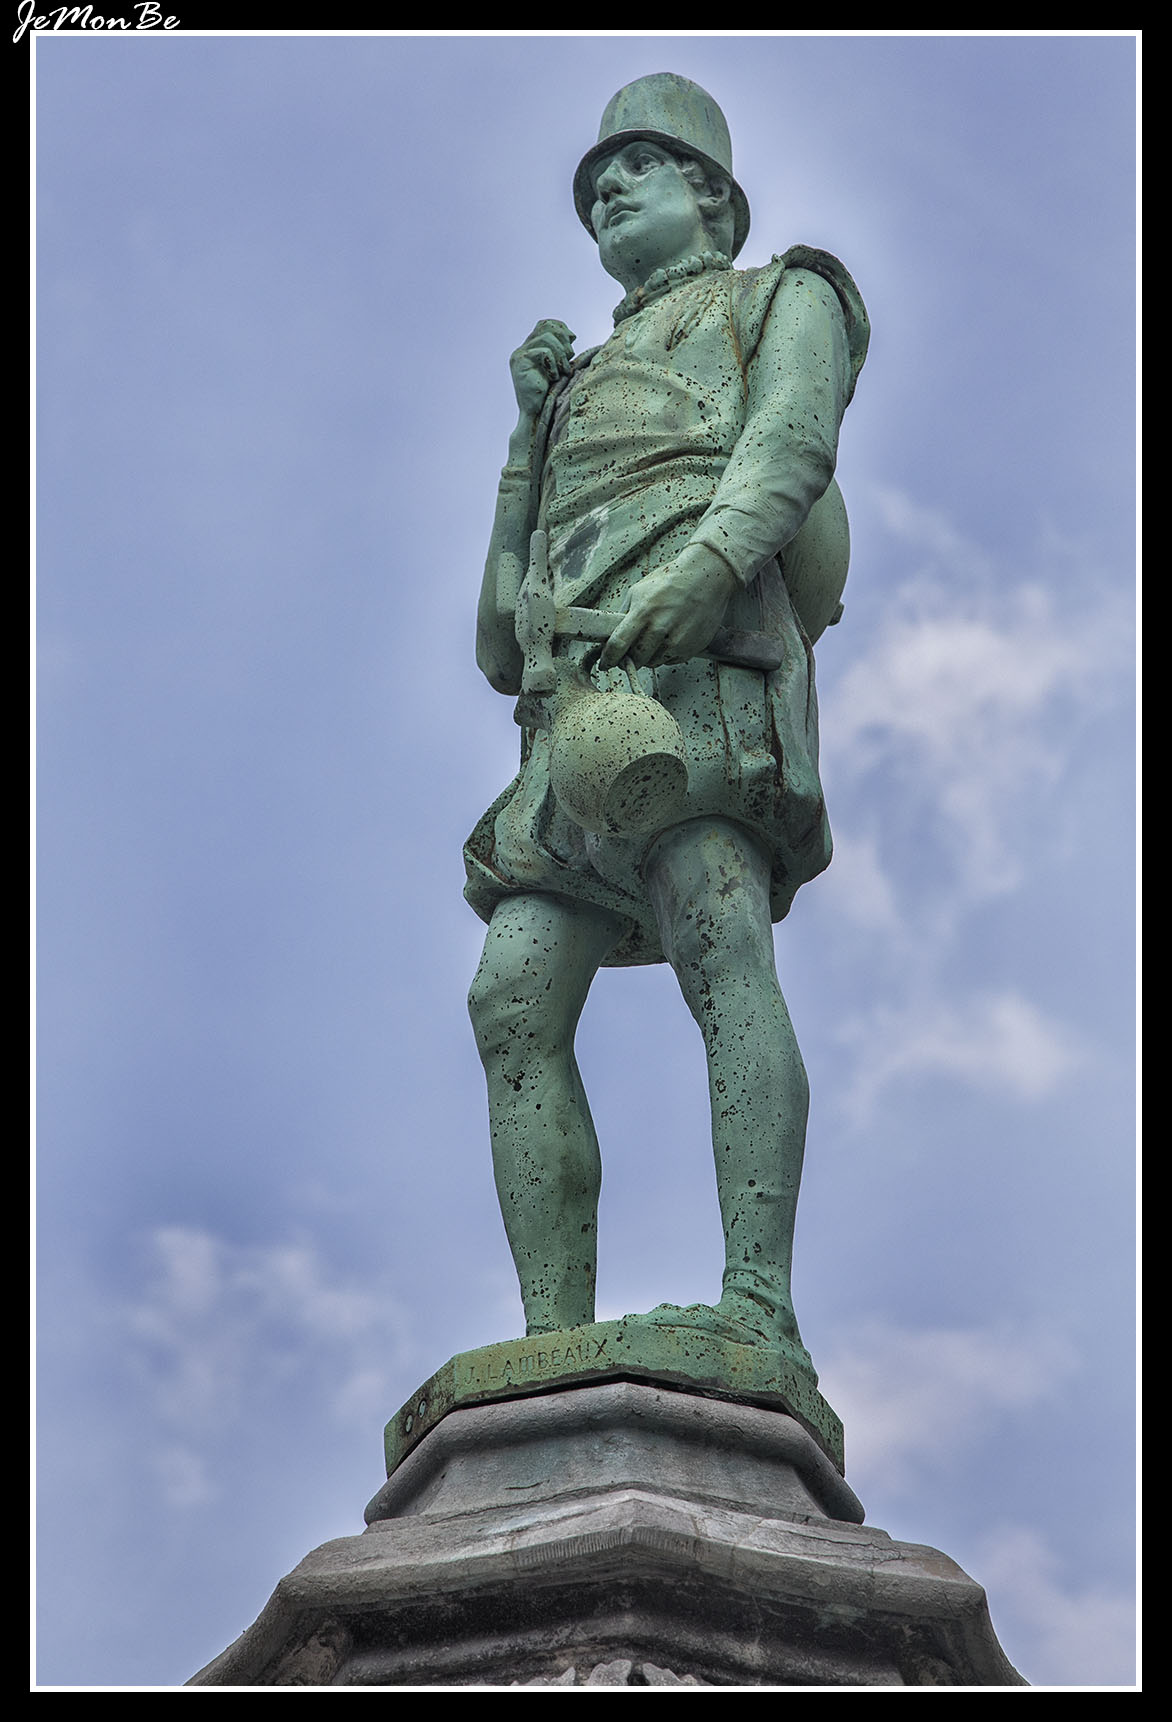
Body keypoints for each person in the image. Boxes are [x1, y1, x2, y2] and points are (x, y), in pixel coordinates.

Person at [464, 75, 869, 1381]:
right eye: (593, 185)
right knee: (512, 996)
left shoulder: (782, 294)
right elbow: (496, 640)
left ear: (711, 193)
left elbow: (790, 441)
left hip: (706, 662)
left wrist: (707, 569)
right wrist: (525, 444)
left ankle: (759, 1302)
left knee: (719, 938)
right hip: (573, 709)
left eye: (632, 168)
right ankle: (552, 1348)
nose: (605, 194)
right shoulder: (572, 386)